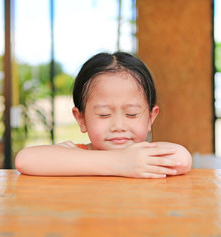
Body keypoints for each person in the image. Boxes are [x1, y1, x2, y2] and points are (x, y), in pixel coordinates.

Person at [15, 51, 192, 178]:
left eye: (131, 114)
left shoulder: (146, 156)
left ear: (150, 118)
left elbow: (182, 159)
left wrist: (129, 161)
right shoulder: (76, 153)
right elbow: (25, 160)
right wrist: (119, 162)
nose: (118, 126)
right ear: (81, 119)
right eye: (104, 114)